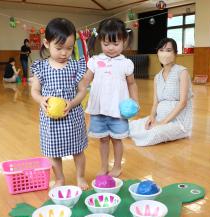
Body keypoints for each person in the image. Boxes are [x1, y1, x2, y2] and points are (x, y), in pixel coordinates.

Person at [30, 18, 88, 189]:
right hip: (50, 120)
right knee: (53, 152)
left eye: (69, 48)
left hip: (73, 116)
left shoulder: (75, 66)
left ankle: (80, 177)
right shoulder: (41, 67)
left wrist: (72, 103)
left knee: (78, 149)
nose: (64, 53)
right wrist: (41, 100)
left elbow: (82, 91)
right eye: (59, 48)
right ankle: (60, 178)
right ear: (47, 43)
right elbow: (35, 91)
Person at [82, 18, 139, 177]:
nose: (111, 48)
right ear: (100, 41)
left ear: (124, 41)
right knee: (103, 140)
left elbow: (132, 84)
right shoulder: (95, 61)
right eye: (106, 44)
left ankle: (117, 166)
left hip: (118, 110)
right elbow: (86, 79)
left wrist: (135, 101)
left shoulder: (126, 63)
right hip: (99, 110)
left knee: (117, 140)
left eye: (116, 44)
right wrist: (78, 90)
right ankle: (103, 166)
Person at [129, 38, 193, 146]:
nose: (164, 54)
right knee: (132, 125)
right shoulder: (157, 77)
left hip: (178, 122)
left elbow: (183, 103)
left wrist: (162, 123)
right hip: (159, 118)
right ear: (157, 53)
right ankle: (140, 133)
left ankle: (142, 134)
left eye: (168, 50)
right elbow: (155, 103)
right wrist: (152, 117)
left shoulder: (182, 72)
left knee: (155, 133)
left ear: (175, 53)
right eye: (161, 50)